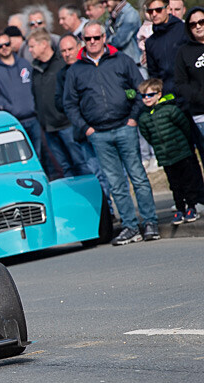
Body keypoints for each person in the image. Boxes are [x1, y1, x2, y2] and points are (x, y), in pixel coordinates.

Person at [63, 22, 159, 245]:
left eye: (96, 37)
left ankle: (150, 222)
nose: (93, 42)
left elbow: (139, 89)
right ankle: (129, 226)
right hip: (99, 134)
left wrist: (133, 118)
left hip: (125, 127)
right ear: (83, 41)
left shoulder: (121, 60)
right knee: (116, 183)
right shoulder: (76, 70)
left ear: (104, 37)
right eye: (88, 39)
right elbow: (70, 104)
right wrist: (87, 128)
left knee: (138, 177)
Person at [55, 34, 114, 211]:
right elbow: (60, 102)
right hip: (82, 132)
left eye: (70, 49)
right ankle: (107, 212)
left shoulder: (89, 67)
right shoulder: (62, 75)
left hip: (103, 128)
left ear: (79, 47)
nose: (67, 54)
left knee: (110, 173)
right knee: (96, 174)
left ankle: (124, 214)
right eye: (63, 51)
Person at [137, 78, 203, 224]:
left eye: (150, 95)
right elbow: (148, 136)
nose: (146, 99)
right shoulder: (144, 118)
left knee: (187, 181)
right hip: (166, 157)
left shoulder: (171, 110)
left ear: (159, 94)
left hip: (181, 152)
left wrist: (181, 144)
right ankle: (180, 208)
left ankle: (191, 207)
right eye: (143, 96)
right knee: (174, 184)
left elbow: (184, 127)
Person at [29, 29, 91, 178]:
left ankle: (96, 198)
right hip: (50, 129)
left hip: (67, 125)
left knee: (81, 163)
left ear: (44, 44)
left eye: (32, 46)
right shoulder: (35, 69)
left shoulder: (61, 64)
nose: (29, 50)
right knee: (65, 168)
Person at [0, 33, 43, 163]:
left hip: (34, 118)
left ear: (11, 45)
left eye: (7, 44)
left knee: (38, 157)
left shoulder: (24, 63)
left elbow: (36, 87)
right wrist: (9, 107)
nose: (4, 48)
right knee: (17, 159)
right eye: (0, 46)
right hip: (13, 122)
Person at [174, 7, 204, 143]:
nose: (198, 26)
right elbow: (180, 83)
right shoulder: (184, 52)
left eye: (202, 22)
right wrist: (196, 96)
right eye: (193, 24)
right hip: (201, 113)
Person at [145, 0, 187, 95]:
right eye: (150, 11)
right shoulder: (150, 42)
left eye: (158, 10)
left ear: (168, 9)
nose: (154, 14)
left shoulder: (184, 30)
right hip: (166, 97)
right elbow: (153, 75)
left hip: (189, 92)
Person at [105, 0, 142, 65]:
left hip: (133, 64)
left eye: (107, 1)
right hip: (118, 63)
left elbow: (119, 41)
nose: (105, 4)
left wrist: (107, 42)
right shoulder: (112, 17)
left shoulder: (130, 14)